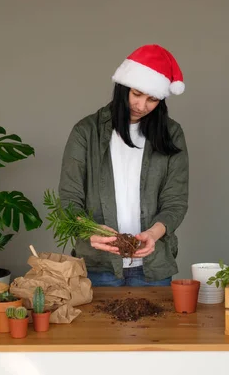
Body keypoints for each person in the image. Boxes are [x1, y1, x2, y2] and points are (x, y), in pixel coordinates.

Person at [58, 44, 189, 286]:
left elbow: (176, 201)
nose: (141, 106)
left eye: (152, 99)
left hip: (153, 267)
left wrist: (153, 234)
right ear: (122, 88)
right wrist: (90, 233)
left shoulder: (171, 134)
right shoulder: (86, 132)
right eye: (136, 94)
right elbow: (69, 198)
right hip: (98, 266)